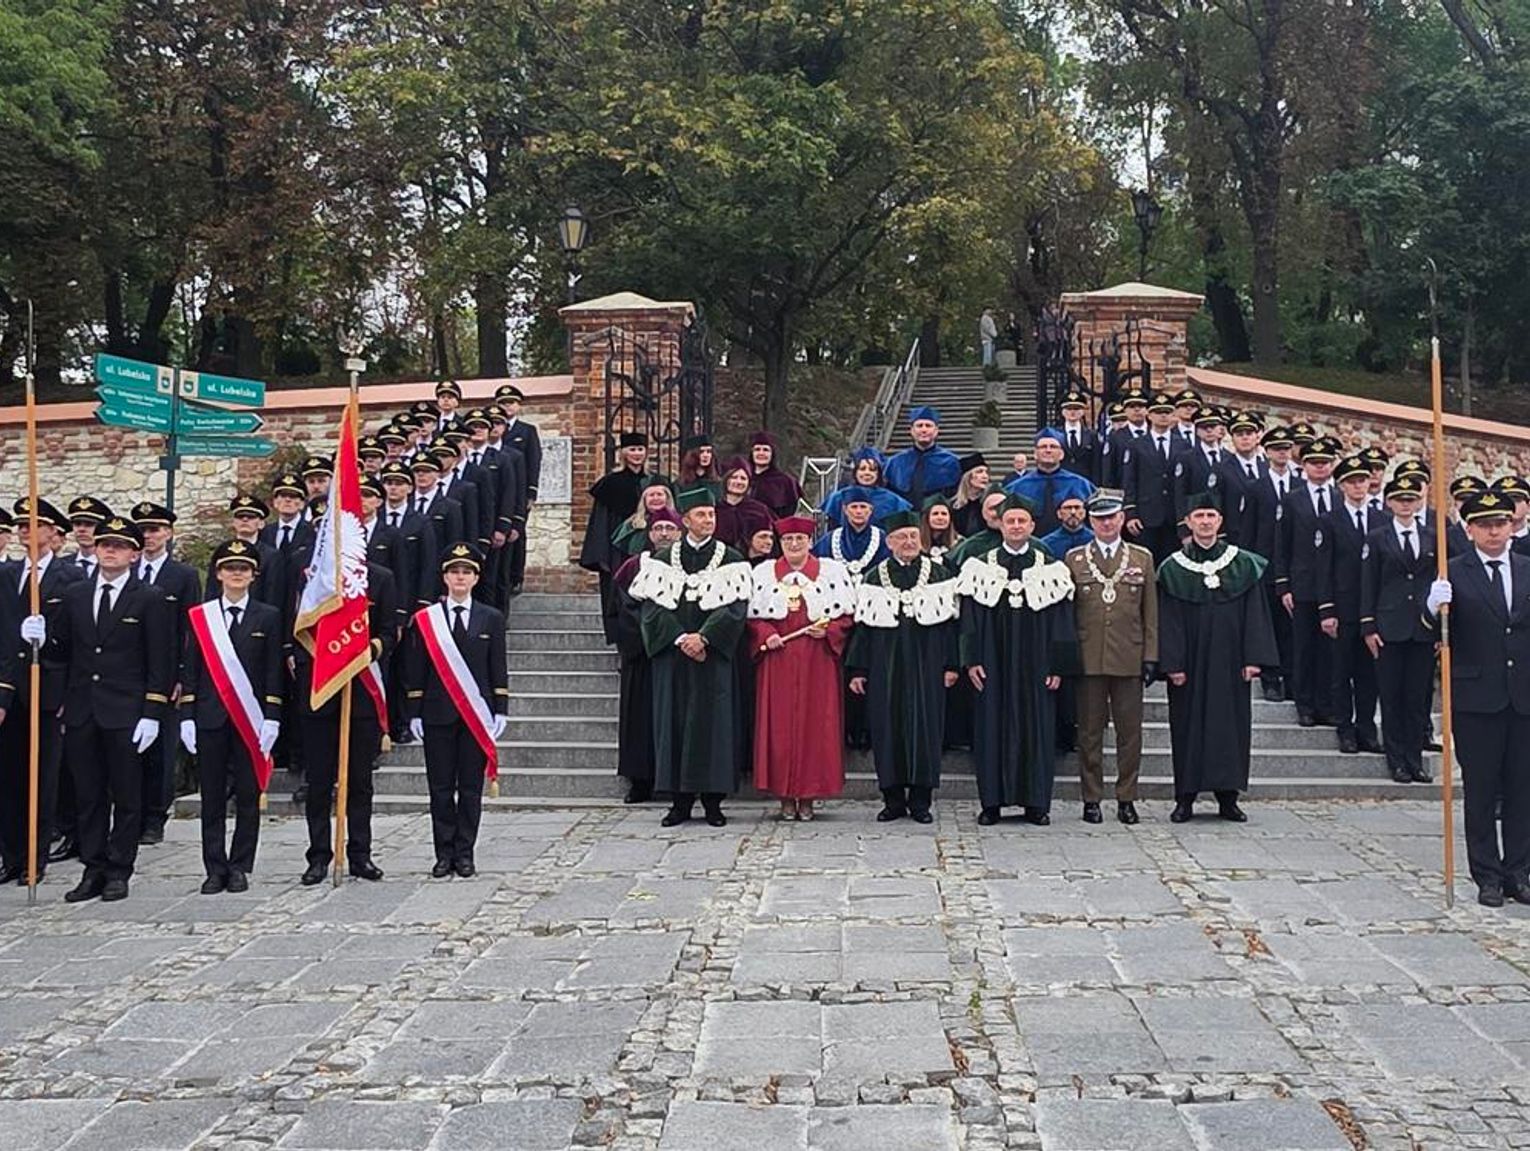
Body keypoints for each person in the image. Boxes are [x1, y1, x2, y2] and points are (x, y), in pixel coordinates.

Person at [37, 515, 174, 902]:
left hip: (127, 711)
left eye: (119, 545)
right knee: (88, 795)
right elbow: (62, 653)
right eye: (104, 544)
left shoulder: (150, 597)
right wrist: (39, 636)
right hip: (82, 710)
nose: (109, 550)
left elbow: (159, 660)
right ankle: (93, 868)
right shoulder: (76, 594)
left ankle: (119, 869)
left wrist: (152, 711)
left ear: (134, 554)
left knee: (127, 796)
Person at [1425, 490, 1530, 907]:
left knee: (1523, 790)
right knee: (1483, 791)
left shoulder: (1527, 569)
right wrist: (1432, 608)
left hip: (1523, 695)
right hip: (1475, 699)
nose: (1493, 531)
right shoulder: (1453, 572)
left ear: (1512, 527)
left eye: (1500, 523)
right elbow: (1429, 633)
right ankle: (1486, 874)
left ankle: (1518, 871)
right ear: (1468, 530)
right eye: (1484, 525)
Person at [628, 487, 751, 828]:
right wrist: (682, 638)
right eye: (701, 515)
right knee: (674, 723)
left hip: (713, 657)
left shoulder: (733, 559)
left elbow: (735, 607)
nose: (708, 520)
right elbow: (651, 608)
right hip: (674, 656)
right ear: (685, 520)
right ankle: (679, 803)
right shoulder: (663, 560)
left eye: (711, 515)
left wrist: (705, 637)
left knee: (714, 727)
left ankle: (713, 803)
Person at [956, 495, 1079, 826]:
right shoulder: (981, 565)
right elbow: (969, 617)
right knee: (990, 728)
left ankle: (1036, 804)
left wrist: (1058, 665)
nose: (1015, 526)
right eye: (1009, 521)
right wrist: (971, 660)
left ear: (1032, 526)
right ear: (999, 524)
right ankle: (992, 804)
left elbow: (1063, 622)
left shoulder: (1050, 567)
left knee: (1036, 727)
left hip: (1037, 662)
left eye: (1021, 521)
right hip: (993, 661)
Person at [1157, 492, 1279, 823]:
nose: (1206, 521)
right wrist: (1173, 663)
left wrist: (1253, 658)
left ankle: (1229, 798)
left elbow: (1256, 614)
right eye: (1199, 516)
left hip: (1230, 660)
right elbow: (1167, 620)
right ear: (1189, 522)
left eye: (1211, 515)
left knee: (1231, 727)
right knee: (1187, 727)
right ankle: (1185, 798)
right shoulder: (1172, 569)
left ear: (1220, 521)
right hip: (1190, 663)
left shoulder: (1243, 564)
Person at [179, 541, 282, 894]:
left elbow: (273, 671)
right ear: (219, 573)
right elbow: (191, 669)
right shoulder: (200, 617)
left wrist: (272, 715)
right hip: (209, 716)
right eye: (229, 567)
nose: (236, 573)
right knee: (211, 797)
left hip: (250, 720)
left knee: (248, 796)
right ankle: (214, 866)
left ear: (254, 575)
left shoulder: (267, 616)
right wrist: (187, 715)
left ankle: (240, 866)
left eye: (243, 568)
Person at [291, 548, 398, 886]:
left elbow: (389, 631)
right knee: (319, 782)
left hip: (361, 692)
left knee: (360, 783)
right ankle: (319, 855)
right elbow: (296, 628)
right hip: (320, 693)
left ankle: (360, 854)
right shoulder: (314, 580)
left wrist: (365, 651)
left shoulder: (379, 578)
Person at [847, 509, 959, 823]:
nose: (909, 542)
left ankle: (922, 801)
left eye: (913, 536)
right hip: (886, 667)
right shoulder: (873, 577)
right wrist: (858, 669)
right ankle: (893, 799)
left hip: (929, 664)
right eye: (902, 537)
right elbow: (863, 629)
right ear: (890, 541)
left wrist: (952, 665)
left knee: (926, 728)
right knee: (888, 729)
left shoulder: (940, 575)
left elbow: (952, 624)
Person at [406, 543, 508, 879]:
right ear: (445, 577)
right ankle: (442, 853)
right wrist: (415, 710)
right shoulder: (426, 620)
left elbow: (497, 668)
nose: (460, 577)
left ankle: (465, 853)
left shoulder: (490, 618)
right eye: (454, 572)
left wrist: (501, 708)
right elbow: (416, 668)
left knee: (469, 788)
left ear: (476, 578)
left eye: (466, 572)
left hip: (475, 715)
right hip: (437, 713)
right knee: (439, 788)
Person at [747, 515, 856, 820]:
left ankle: (808, 796)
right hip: (777, 661)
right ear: (780, 544)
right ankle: (783, 794)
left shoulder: (832, 574)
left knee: (815, 727)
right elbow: (753, 617)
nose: (794, 544)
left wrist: (830, 630)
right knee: (779, 727)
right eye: (788, 540)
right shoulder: (764, 574)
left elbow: (846, 617)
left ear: (810, 542)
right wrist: (766, 634)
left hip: (817, 660)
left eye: (800, 539)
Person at [0, 498, 84, 883]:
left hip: (48, 690)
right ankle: (12, 856)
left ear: (54, 533)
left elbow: (78, 643)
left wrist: (68, 691)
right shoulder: (6, 575)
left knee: (42, 778)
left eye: (33, 524)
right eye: (19, 525)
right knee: (9, 778)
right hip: (9, 691)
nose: (24, 531)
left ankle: (35, 860)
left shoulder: (71, 581)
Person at [1065, 492, 1157, 824]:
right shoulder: (1074, 558)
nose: (1107, 523)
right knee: (1089, 732)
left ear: (1121, 519)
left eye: (1112, 517)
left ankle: (1126, 797)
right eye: (1100, 518)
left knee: (1129, 732)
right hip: (1088, 657)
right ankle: (1091, 798)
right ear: (1091, 522)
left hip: (1128, 655)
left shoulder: (1141, 557)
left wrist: (1151, 655)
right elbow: (1070, 614)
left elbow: (1151, 613)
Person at [129, 501, 202, 846]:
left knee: (161, 750)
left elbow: (191, 630)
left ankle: (155, 816)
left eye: (155, 529)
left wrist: (183, 677)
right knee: (129, 749)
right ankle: (131, 811)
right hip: (129, 674)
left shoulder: (183, 576)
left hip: (168, 675)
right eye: (143, 530)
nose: (148, 536)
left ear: (168, 533)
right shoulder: (126, 571)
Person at [1360, 473, 1436, 784]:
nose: (1406, 505)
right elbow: (1368, 582)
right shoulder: (1377, 537)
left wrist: (1440, 628)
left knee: (1417, 699)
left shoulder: (1432, 537)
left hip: (1422, 627)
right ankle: (1397, 762)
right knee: (1391, 697)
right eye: (1400, 499)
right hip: (1388, 626)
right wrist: (1368, 625)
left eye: (1411, 499)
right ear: (1389, 502)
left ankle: (1415, 759)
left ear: (1418, 502)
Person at [611, 509, 684, 804]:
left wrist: (673, 637)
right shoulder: (633, 567)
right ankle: (640, 781)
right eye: (659, 528)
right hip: (641, 656)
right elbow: (622, 607)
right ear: (649, 533)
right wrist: (646, 638)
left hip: (675, 654)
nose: (664, 533)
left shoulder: (686, 566)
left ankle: (674, 779)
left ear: (679, 532)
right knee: (639, 721)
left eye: (670, 528)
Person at [1275, 435, 1340, 727]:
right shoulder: (1292, 498)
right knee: (1303, 646)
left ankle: (1325, 703)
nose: (1320, 468)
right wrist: (1283, 584)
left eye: (1325, 463)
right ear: (1304, 466)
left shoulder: (1340, 497)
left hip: (1335, 587)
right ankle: (1304, 704)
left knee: (1329, 650)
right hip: (1302, 583)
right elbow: (1281, 544)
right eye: (1314, 463)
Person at [1322, 455, 1383, 756]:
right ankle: (1345, 728)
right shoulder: (1330, 520)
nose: (1358, 486)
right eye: (1352, 481)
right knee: (1341, 671)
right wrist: (1327, 609)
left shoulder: (1382, 519)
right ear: (1342, 485)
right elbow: (1324, 567)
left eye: (1362, 480)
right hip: (1343, 607)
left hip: (1373, 610)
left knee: (1369, 674)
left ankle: (1367, 729)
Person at [578, 431, 650, 643]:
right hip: (617, 552)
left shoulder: (654, 483)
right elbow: (599, 523)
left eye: (640, 449)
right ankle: (622, 646)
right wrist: (602, 556)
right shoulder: (610, 484)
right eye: (632, 449)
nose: (636, 454)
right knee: (618, 599)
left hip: (647, 550)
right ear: (623, 453)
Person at [1121, 393, 1189, 564]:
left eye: (1167, 411)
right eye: (1158, 412)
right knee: (1146, 563)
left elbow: (1187, 483)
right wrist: (1130, 512)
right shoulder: (1136, 445)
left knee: (1173, 562)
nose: (1163, 415)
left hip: (1174, 515)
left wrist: (1185, 517)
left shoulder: (1183, 444)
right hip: (1146, 515)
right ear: (1149, 415)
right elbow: (1129, 480)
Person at [1257, 426, 1298, 701]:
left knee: (1293, 629)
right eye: (1276, 449)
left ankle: (1293, 680)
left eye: (1285, 448)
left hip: (1296, 568)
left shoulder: (1301, 486)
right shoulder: (1256, 486)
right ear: (1267, 452)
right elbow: (1247, 530)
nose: (1282, 453)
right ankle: (1270, 678)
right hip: (1266, 566)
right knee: (1268, 625)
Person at [493, 384, 541, 597]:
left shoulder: (526, 431)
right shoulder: (492, 428)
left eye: (511, 402)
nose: (507, 406)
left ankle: (516, 576)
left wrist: (531, 492)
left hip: (519, 491)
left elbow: (534, 461)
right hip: (497, 490)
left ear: (518, 405)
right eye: (503, 403)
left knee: (517, 532)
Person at [885, 407, 961, 507]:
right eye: (919, 426)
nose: (924, 430)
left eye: (928, 426)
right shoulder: (895, 463)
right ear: (912, 430)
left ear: (936, 430)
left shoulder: (951, 462)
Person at [821, 448, 910, 527]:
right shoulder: (838, 497)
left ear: (878, 473)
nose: (867, 473)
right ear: (855, 471)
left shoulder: (894, 501)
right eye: (862, 469)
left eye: (872, 470)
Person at [812, 487, 888, 577]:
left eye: (863, 507)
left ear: (870, 510)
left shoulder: (883, 539)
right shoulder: (829, 540)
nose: (858, 511)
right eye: (854, 507)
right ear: (845, 510)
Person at [715, 459, 774, 553]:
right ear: (726, 480)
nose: (738, 482)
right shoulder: (714, 509)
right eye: (734, 477)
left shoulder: (759, 510)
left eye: (743, 478)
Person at [612, 477, 677, 557]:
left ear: (667, 498)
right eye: (651, 495)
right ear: (644, 500)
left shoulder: (679, 522)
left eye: (659, 494)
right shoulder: (633, 524)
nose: (655, 498)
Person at [747, 432, 804, 519]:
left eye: (766, 450)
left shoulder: (785, 482)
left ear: (772, 454)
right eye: (757, 449)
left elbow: (788, 513)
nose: (761, 453)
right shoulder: (743, 479)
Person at [1057, 390, 1100, 482]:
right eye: (1069, 409)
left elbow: (1097, 464)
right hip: (1061, 483)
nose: (1072, 412)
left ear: (1083, 412)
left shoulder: (1091, 435)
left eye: (1076, 409)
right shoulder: (1055, 434)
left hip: (1085, 484)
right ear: (1063, 412)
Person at [951, 454, 991, 538]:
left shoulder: (990, 503)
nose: (985, 476)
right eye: (979, 472)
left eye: (986, 472)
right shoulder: (953, 506)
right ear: (968, 477)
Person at [921, 495, 963, 565]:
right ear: (926, 518)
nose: (940, 518)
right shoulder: (917, 545)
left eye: (944, 514)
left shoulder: (960, 545)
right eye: (935, 514)